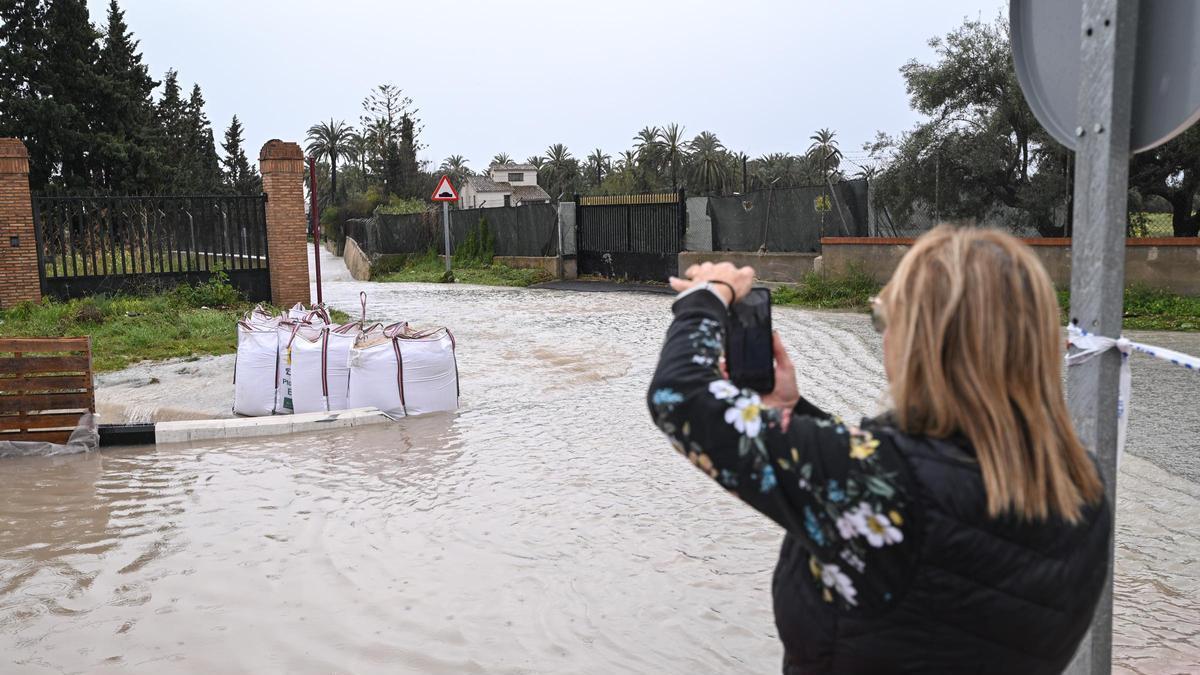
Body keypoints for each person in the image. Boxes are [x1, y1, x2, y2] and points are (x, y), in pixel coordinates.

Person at [647, 226, 1111, 674]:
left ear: (919, 342)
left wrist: (706, 297)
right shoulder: (1082, 484)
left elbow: (681, 398)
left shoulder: (884, 485)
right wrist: (797, 413)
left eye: (882, 319)